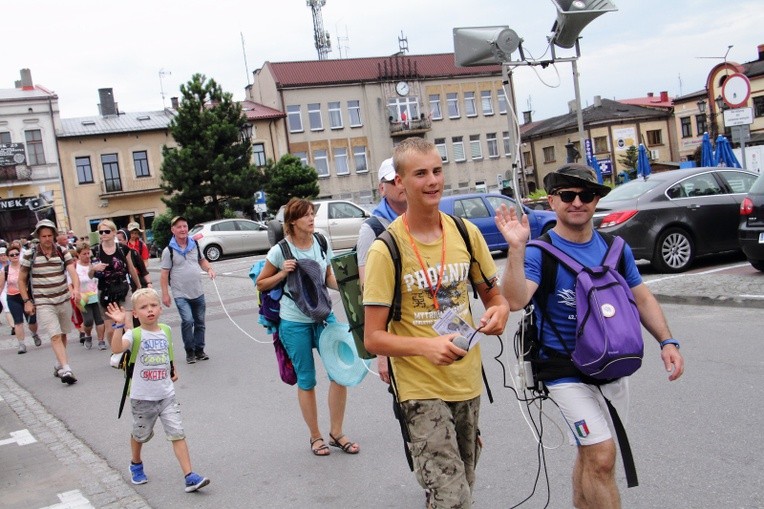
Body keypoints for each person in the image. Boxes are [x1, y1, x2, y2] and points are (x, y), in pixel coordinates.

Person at [495, 163, 685, 509]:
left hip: (613, 365)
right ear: (552, 201)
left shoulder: (616, 249)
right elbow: (515, 299)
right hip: (564, 371)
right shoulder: (540, 253)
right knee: (601, 455)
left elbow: (642, 297)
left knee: (591, 453)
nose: (577, 202)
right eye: (568, 195)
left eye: (586, 195)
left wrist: (667, 341)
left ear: (596, 200)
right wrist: (517, 250)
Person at [364, 137, 509, 508]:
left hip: (466, 380)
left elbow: (494, 296)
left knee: (464, 484)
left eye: (437, 170)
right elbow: (373, 338)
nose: (432, 181)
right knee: (451, 497)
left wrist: (499, 311)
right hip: (418, 388)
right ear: (400, 182)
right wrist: (426, 346)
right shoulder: (386, 249)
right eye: (420, 174)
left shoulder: (465, 233)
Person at [256, 198, 360, 457]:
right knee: (307, 380)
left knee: (340, 373)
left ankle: (336, 432)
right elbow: (261, 283)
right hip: (294, 322)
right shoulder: (281, 250)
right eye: (306, 216)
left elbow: (328, 277)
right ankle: (315, 437)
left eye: (312, 214)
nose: (312, 219)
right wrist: (282, 273)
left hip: (324, 317)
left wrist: (351, 288)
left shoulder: (321, 242)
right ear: (292, 221)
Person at [105, 289, 210, 493]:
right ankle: (136, 463)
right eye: (143, 307)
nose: (149, 310)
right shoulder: (133, 334)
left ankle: (189, 476)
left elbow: (167, 351)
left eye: (153, 306)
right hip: (142, 397)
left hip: (166, 395)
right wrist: (118, 325)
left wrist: (172, 368)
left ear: (160, 309)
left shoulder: (165, 330)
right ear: (135, 314)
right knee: (140, 434)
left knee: (177, 433)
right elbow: (117, 349)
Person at [356, 157, 408, 384]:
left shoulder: (425, 219)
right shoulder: (372, 229)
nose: (400, 185)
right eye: (392, 181)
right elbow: (370, 293)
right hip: (396, 333)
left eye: (402, 179)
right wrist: (382, 353)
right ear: (381, 187)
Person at [18, 219, 81, 384]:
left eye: (49, 235)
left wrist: (75, 288)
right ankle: (66, 369)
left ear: (54, 235)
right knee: (54, 335)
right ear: (38, 236)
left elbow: (72, 271)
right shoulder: (30, 254)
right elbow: (21, 279)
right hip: (43, 301)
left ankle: (58, 362)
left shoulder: (62, 251)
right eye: (43, 236)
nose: (47, 239)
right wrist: (27, 300)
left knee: (63, 333)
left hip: (63, 298)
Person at [160, 216, 215, 364]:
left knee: (200, 322)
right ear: (173, 230)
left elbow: (202, 260)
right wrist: (165, 294)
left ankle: (200, 350)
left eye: (184, 226)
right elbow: (164, 274)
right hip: (180, 293)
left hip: (197, 291)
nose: (183, 229)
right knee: (187, 320)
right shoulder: (169, 250)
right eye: (179, 227)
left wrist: (209, 269)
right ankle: (189, 351)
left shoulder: (194, 245)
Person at [90, 220, 142, 350]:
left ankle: (133, 352)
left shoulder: (123, 249)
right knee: (111, 329)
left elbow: (130, 268)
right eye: (101, 232)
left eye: (107, 231)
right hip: (105, 292)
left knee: (128, 325)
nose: (104, 234)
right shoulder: (95, 250)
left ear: (113, 232)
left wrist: (139, 287)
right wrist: (94, 268)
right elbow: (90, 275)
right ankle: (116, 351)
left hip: (123, 289)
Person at [0, 242, 42, 353]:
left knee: (32, 321)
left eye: (16, 254)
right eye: (12, 255)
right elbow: (1, 286)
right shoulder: (5, 270)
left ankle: (34, 334)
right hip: (13, 297)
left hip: (27, 296)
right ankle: (21, 344)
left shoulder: (25, 267)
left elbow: (33, 281)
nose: (14, 256)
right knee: (18, 322)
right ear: (8, 257)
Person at [74, 242, 105, 350]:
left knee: (99, 319)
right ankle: (88, 335)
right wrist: (74, 293)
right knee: (88, 321)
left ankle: (101, 341)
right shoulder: (75, 266)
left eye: (88, 253)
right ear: (78, 254)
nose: (87, 256)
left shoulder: (94, 264)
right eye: (84, 254)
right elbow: (70, 282)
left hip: (94, 295)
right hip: (82, 296)